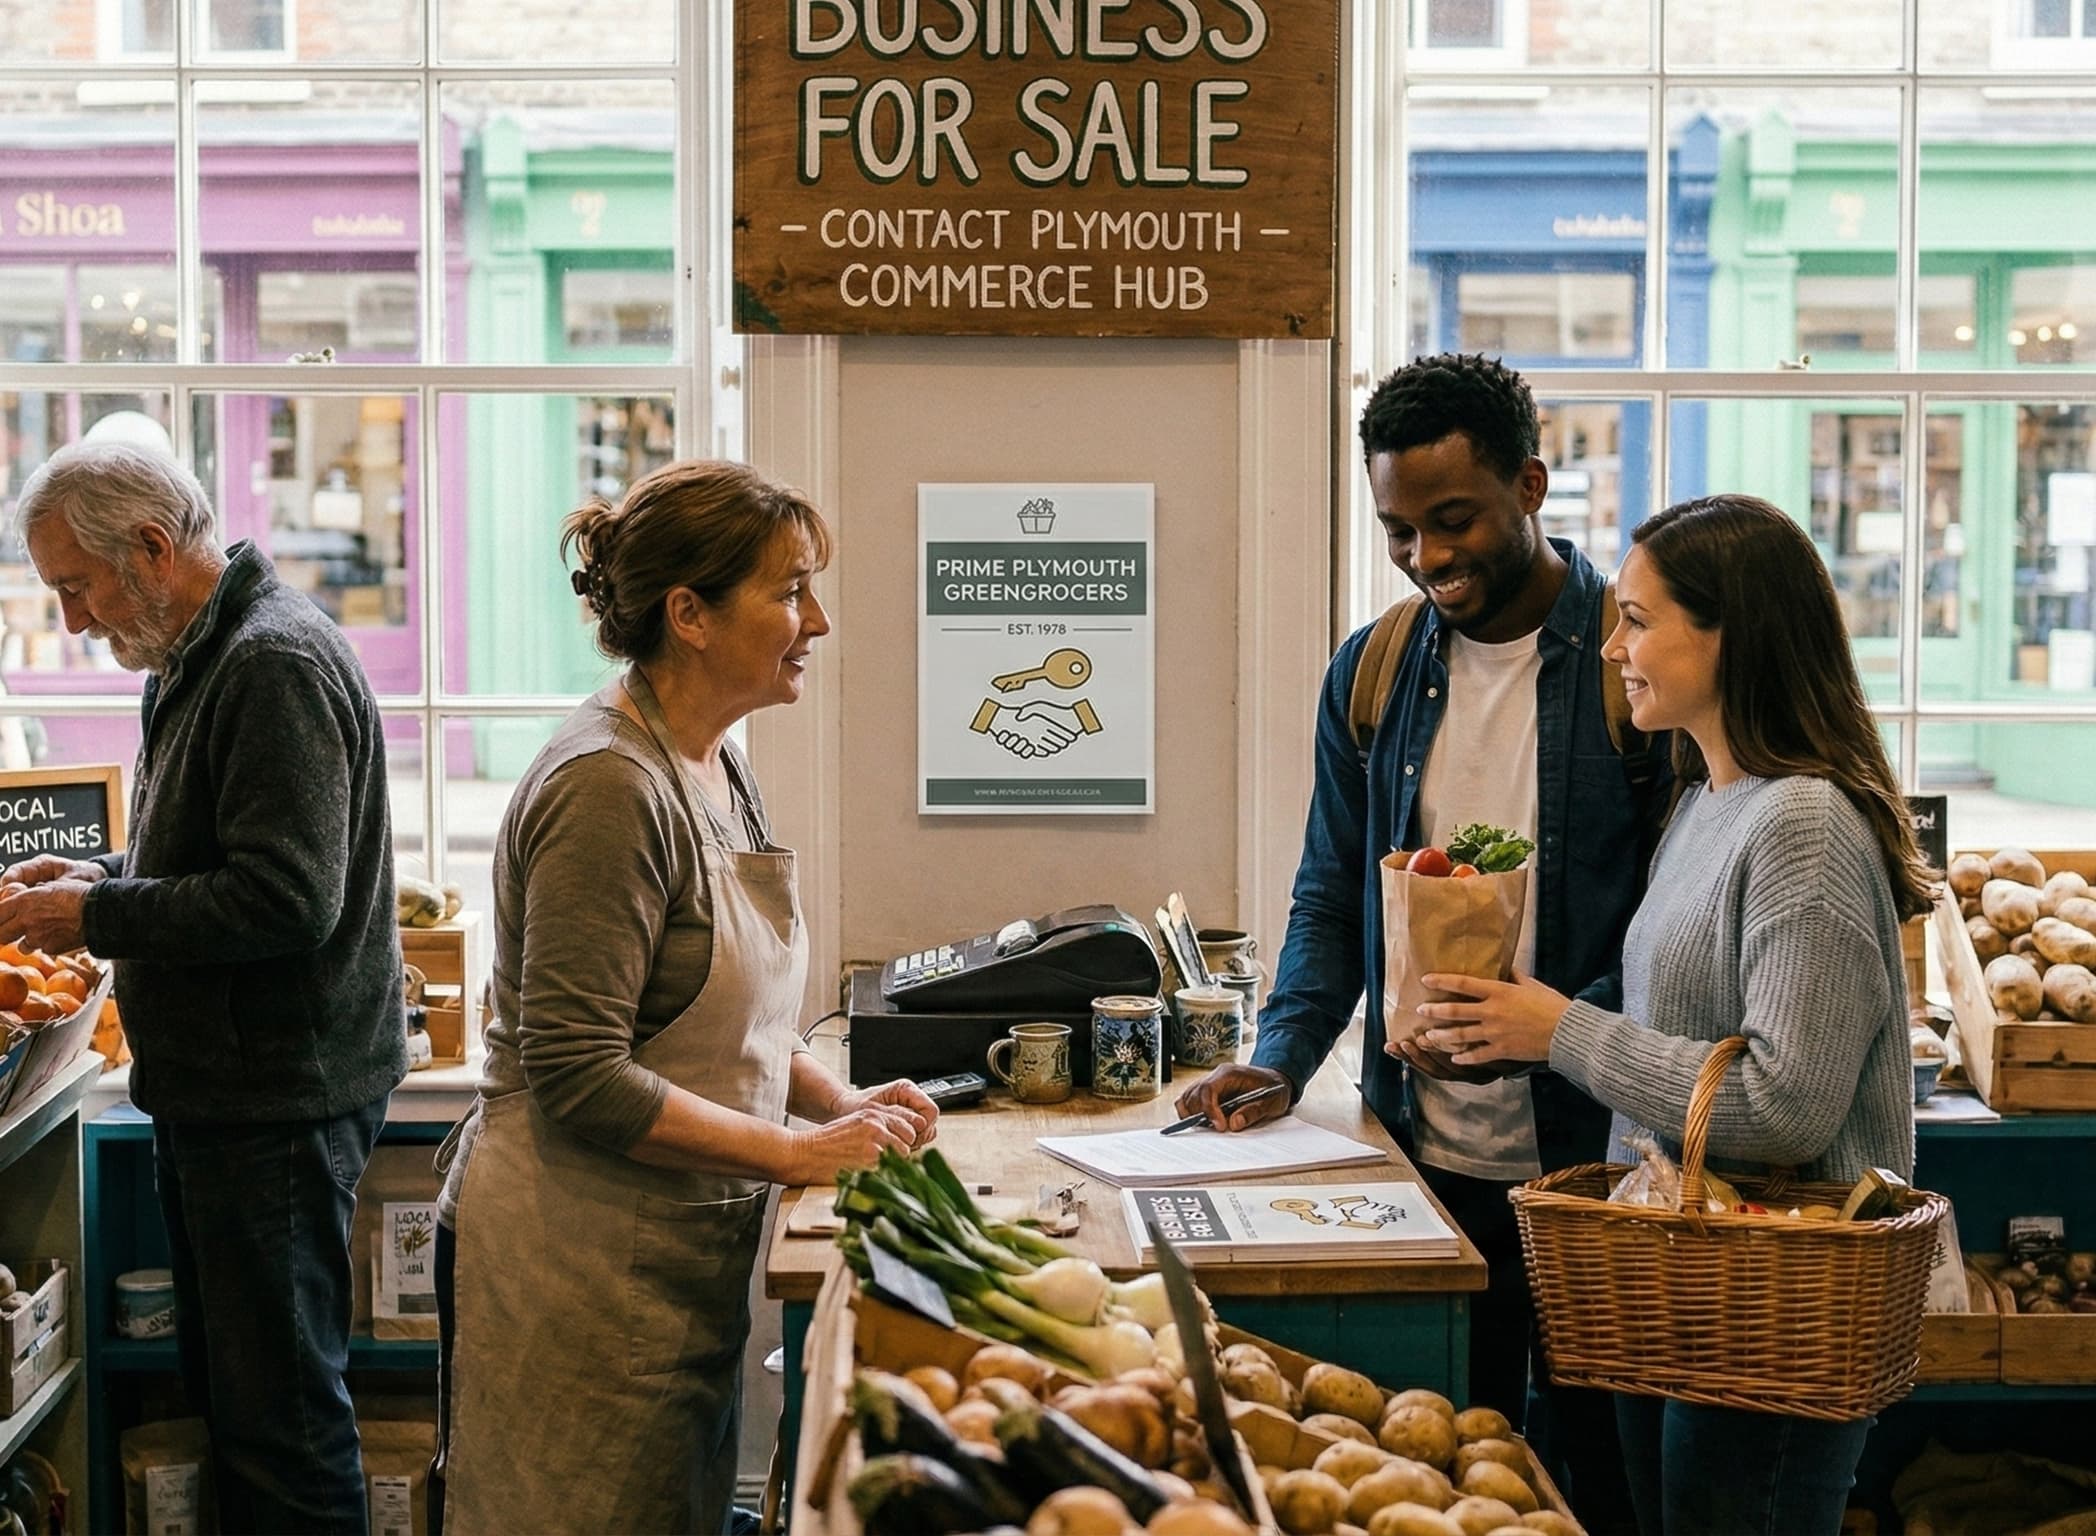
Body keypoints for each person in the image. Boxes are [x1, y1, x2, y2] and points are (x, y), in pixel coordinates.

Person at [1173, 353, 1671, 1531]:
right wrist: (1281, 1053)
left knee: (1594, 1479)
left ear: (1532, 486)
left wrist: (1553, 1032)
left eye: (1453, 521)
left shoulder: (1630, 668)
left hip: (1601, 1169)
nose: (1426, 557)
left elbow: (1674, 931)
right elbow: (1330, 893)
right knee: (1446, 1471)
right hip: (1425, 1161)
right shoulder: (1376, 669)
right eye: (1399, 530)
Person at [434, 459, 938, 1536]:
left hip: (671, 1256)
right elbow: (578, 1072)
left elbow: (731, 1026)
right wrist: (798, 1156)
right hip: (575, 1267)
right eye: (789, 591)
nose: (819, 621)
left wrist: (835, 1105)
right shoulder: (606, 788)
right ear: (689, 615)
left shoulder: (716, 763)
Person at [1415, 493, 1931, 1536]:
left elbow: (1783, 1109)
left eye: (1639, 620)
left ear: (1728, 635)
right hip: (1692, 1292)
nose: (1611, 648)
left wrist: (1558, 1031)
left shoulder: (1801, 825)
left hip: (1774, 1313)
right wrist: (1499, 1024)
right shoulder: (1706, 800)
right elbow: (1668, 1018)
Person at [0, 441, 407, 1533]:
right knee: (244, 1410)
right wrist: (99, 876)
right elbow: (214, 859)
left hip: (274, 1102)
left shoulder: (269, 663)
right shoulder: (199, 654)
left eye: (75, 588)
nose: (75, 621)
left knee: (280, 1429)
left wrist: (86, 913)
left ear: (148, 547)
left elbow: (284, 900)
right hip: (235, 1095)